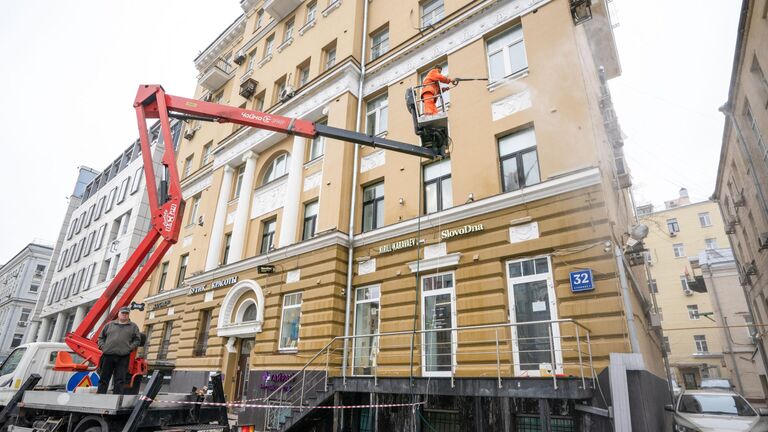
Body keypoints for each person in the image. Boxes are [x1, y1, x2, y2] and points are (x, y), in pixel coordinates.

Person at [97, 306, 141, 394]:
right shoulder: (109, 325)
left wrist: (129, 348)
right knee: (104, 377)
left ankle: (116, 398)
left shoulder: (133, 326)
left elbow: (137, 340)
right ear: (118, 314)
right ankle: (100, 396)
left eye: (126, 313)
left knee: (120, 379)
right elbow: (100, 338)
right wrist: (103, 347)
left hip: (123, 356)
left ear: (128, 315)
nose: (124, 315)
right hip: (108, 355)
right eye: (123, 313)